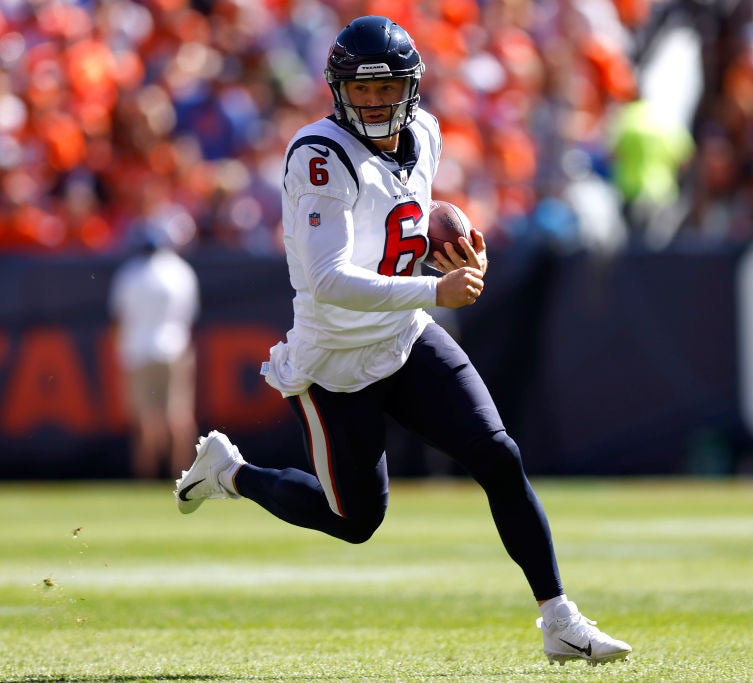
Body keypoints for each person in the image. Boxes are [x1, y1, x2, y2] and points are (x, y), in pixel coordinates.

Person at [173, 15, 632, 667]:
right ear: (338, 92)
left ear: (411, 88)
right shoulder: (319, 156)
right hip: (334, 361)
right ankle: (232, 473)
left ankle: (559, 616)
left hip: (405, 334)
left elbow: (405, 221)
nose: (376, 102)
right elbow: (330, 279)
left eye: (387, 88)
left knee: (497, 454)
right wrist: (433, 292)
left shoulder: (427, 134)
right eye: (361, 91)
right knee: (356, 521)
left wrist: (454, 248)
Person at [109, 231, 199, 479]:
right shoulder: (182, 272)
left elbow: (120, 317)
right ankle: (185, 476)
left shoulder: (130, 273)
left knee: (146, 417)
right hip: (174, 346)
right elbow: (188, 317)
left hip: (137, 350)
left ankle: (147, 477)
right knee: (179, 415)